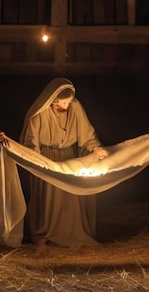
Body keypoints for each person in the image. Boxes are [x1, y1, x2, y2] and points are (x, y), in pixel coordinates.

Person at [20, 78, 109, 254]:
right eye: (64, 101)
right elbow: (31, 142)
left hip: (69, 160)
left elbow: (86, 132)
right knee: (47, 201)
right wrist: (38, 162)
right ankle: (43, 237)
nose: (68, 104)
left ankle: (69, 234)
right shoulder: (39, 114)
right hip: (47, 161)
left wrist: (95, 147)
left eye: (69, 101)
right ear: (53, 100)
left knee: (69, 199)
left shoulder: (75, 107)